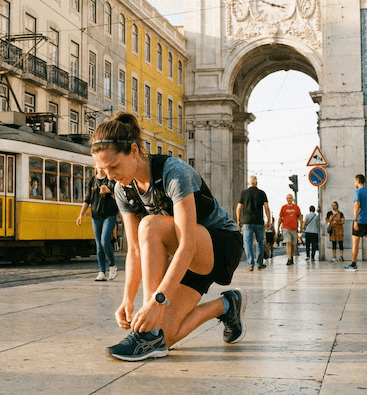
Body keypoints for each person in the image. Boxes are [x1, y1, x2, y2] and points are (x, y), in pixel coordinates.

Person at [91, 112, 246, 362]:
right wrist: (127, 300)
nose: (109, 176)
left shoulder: (174, 172)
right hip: (186, 258)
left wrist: (156, 302)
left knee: (150, 225)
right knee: (167, 335)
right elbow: (134, 250)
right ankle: (228, 305)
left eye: (113, 166)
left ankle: (147, 334)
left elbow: (187, 244)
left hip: (219, 245)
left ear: (133, 150)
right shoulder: (122, 189)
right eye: (102, 170)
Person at [77, 168, 119, 281]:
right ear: (95, 167)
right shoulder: (92, 181)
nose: (100, 167)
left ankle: (112, 266)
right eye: (98, 165)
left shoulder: (111, 180)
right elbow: (87, 199)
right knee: (99, 244)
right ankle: (101, 272)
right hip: (95, 216)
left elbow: (119, 197)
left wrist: (109, 192)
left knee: (105, 241)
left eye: (102, 165)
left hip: (109, 215)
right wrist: (81, 214)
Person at [235, 175, 271, 271]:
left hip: (246, 222)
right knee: (260, 242)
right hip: (259, 222)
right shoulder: (262, 193)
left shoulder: (244, 193)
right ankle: (259, 264)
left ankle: (251, 264)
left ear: (249, 183)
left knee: (247, 243)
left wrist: (238, 220)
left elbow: (239, 208)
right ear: (256, 183)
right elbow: (267, 208)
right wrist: (269, 220)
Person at [347, 174, 367, 272]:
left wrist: (355, 220)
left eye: (354, 182)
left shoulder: (357, 191)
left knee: (355, 243)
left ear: (357, 181)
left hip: (360, 221)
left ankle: (353, 265)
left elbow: (356, 206)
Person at [277, 194, 303, 265]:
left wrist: (301, 226)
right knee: (288, 242)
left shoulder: (296, 207)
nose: (289, 199)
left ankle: (291, 256)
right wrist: (278, 228)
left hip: (294, 228)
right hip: (286, 228)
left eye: (290, 198)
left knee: (294, 244)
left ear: (292, 199)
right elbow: (280, 218)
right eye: (287, 198)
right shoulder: (283, 207)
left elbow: (300, 217)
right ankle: (289, 258)